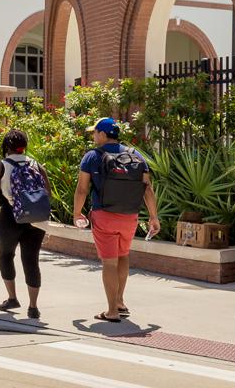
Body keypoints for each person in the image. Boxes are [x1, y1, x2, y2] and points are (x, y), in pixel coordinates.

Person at [73, 117, 160, 323]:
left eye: (95, 133)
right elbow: (147, 188)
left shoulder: (92, 157)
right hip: (130, 216)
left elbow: (82, 189)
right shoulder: (135, 155)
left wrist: (77, 213)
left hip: (104, 215)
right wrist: (154, 217)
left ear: (103, 134)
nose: (94, 136)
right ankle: (120, 301)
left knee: (109, 263)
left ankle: (112, 310)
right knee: (123, 257)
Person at [0, 130, 49, 319]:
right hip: (35, 218)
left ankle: (12, 298)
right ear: (25, 145)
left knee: (6, 255)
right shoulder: (36, 165)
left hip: (11, 217)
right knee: (31, 259)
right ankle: (33, 306)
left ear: (6, 147)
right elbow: (47, 193)